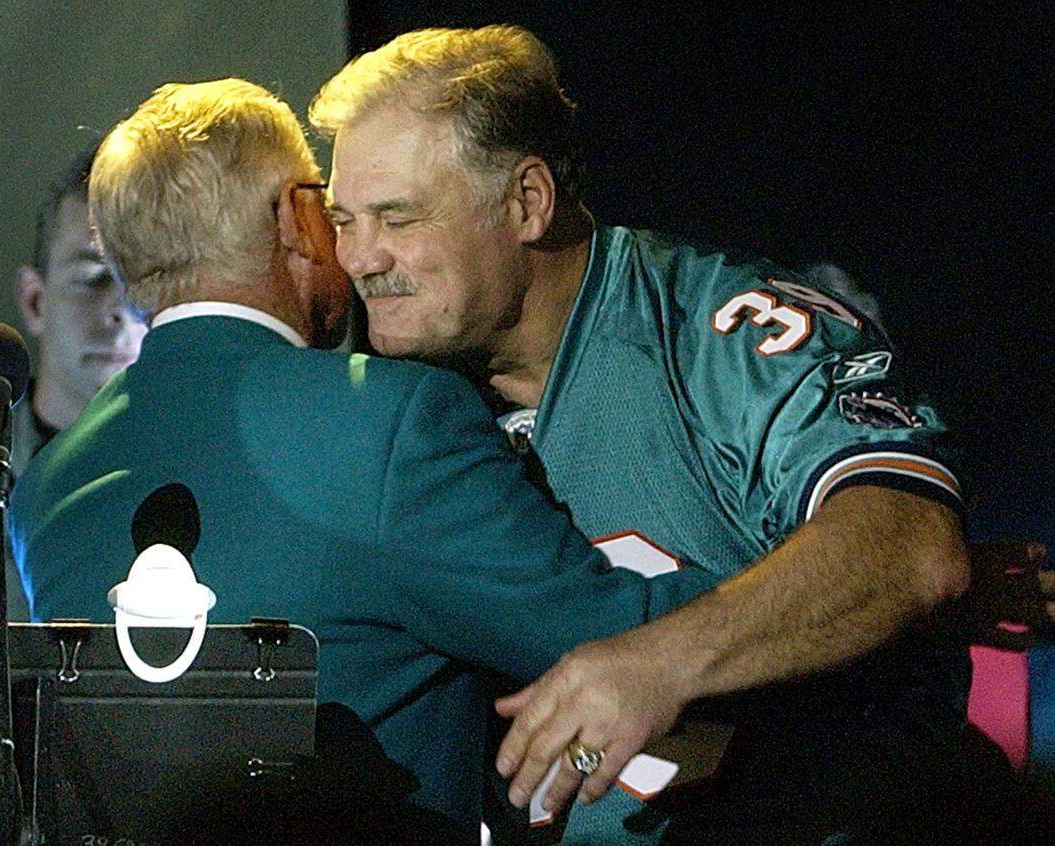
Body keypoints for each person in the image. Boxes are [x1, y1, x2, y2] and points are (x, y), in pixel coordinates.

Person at [309, 25, 1035, 844]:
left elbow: (908, 543)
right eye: (343, 220)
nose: (360, 258)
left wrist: (659, 660)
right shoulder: (395, 395)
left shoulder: (718, 333)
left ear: (525, 202)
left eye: (396, 219)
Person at [8, 78, 715, 843]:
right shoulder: (390, 420)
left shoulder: (44, 492)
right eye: (332, 208)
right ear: (297, 218)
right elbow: (619, 639)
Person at [0, 148, 146, 621]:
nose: (120, 309)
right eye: (92, 277)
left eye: (140, 279)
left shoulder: (197, 470)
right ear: (34, 300)